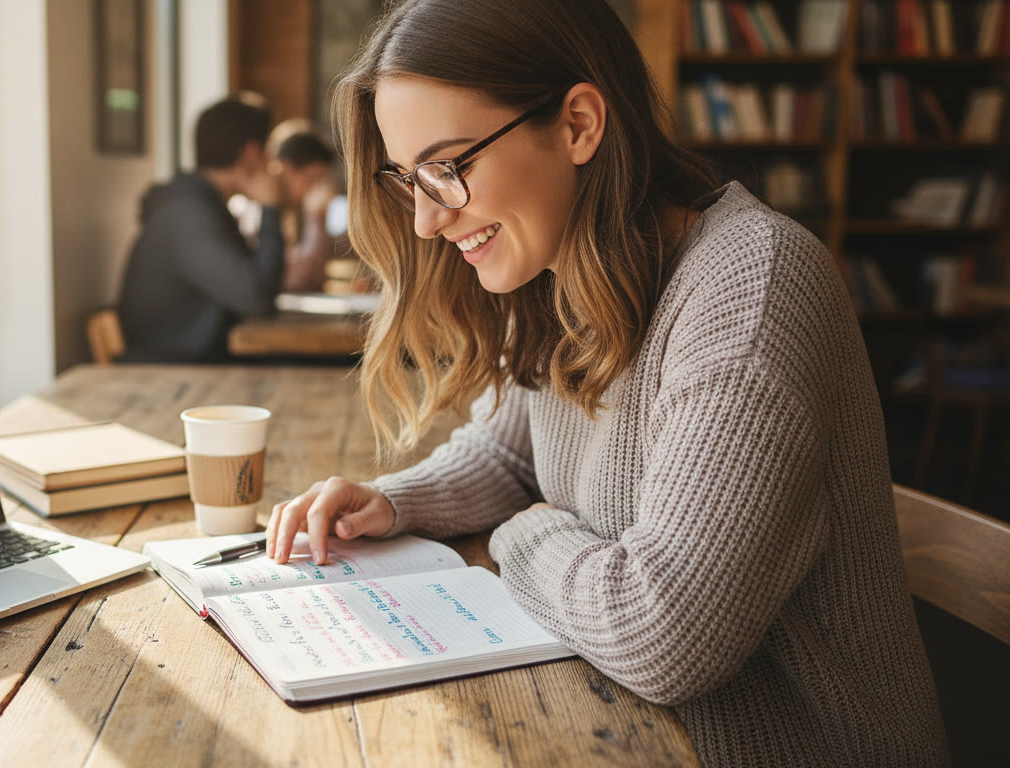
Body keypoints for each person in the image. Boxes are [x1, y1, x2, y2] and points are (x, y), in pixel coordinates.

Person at [264, 1, 950, 766]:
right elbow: (509, 454)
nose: (425, 221)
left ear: (579, 125)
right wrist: (394, 501)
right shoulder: (567, 272)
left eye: (449, 167)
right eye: (409, 177)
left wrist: (524, 534)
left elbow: (662, 633)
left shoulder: (753, 289)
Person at [116, 93, 286, 362]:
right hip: (172, 372)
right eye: (268, 152)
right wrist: (270, 208)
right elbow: (258, 298)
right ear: (251, 153)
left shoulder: (196, 204)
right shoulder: (189, 211)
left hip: (196, 361)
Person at [231, 119, 339, 293]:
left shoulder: (286, 214)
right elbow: (300, 280)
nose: (312, 192)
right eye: (310, 180)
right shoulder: (253, 211)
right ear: (286, 169)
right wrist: (317, 217)